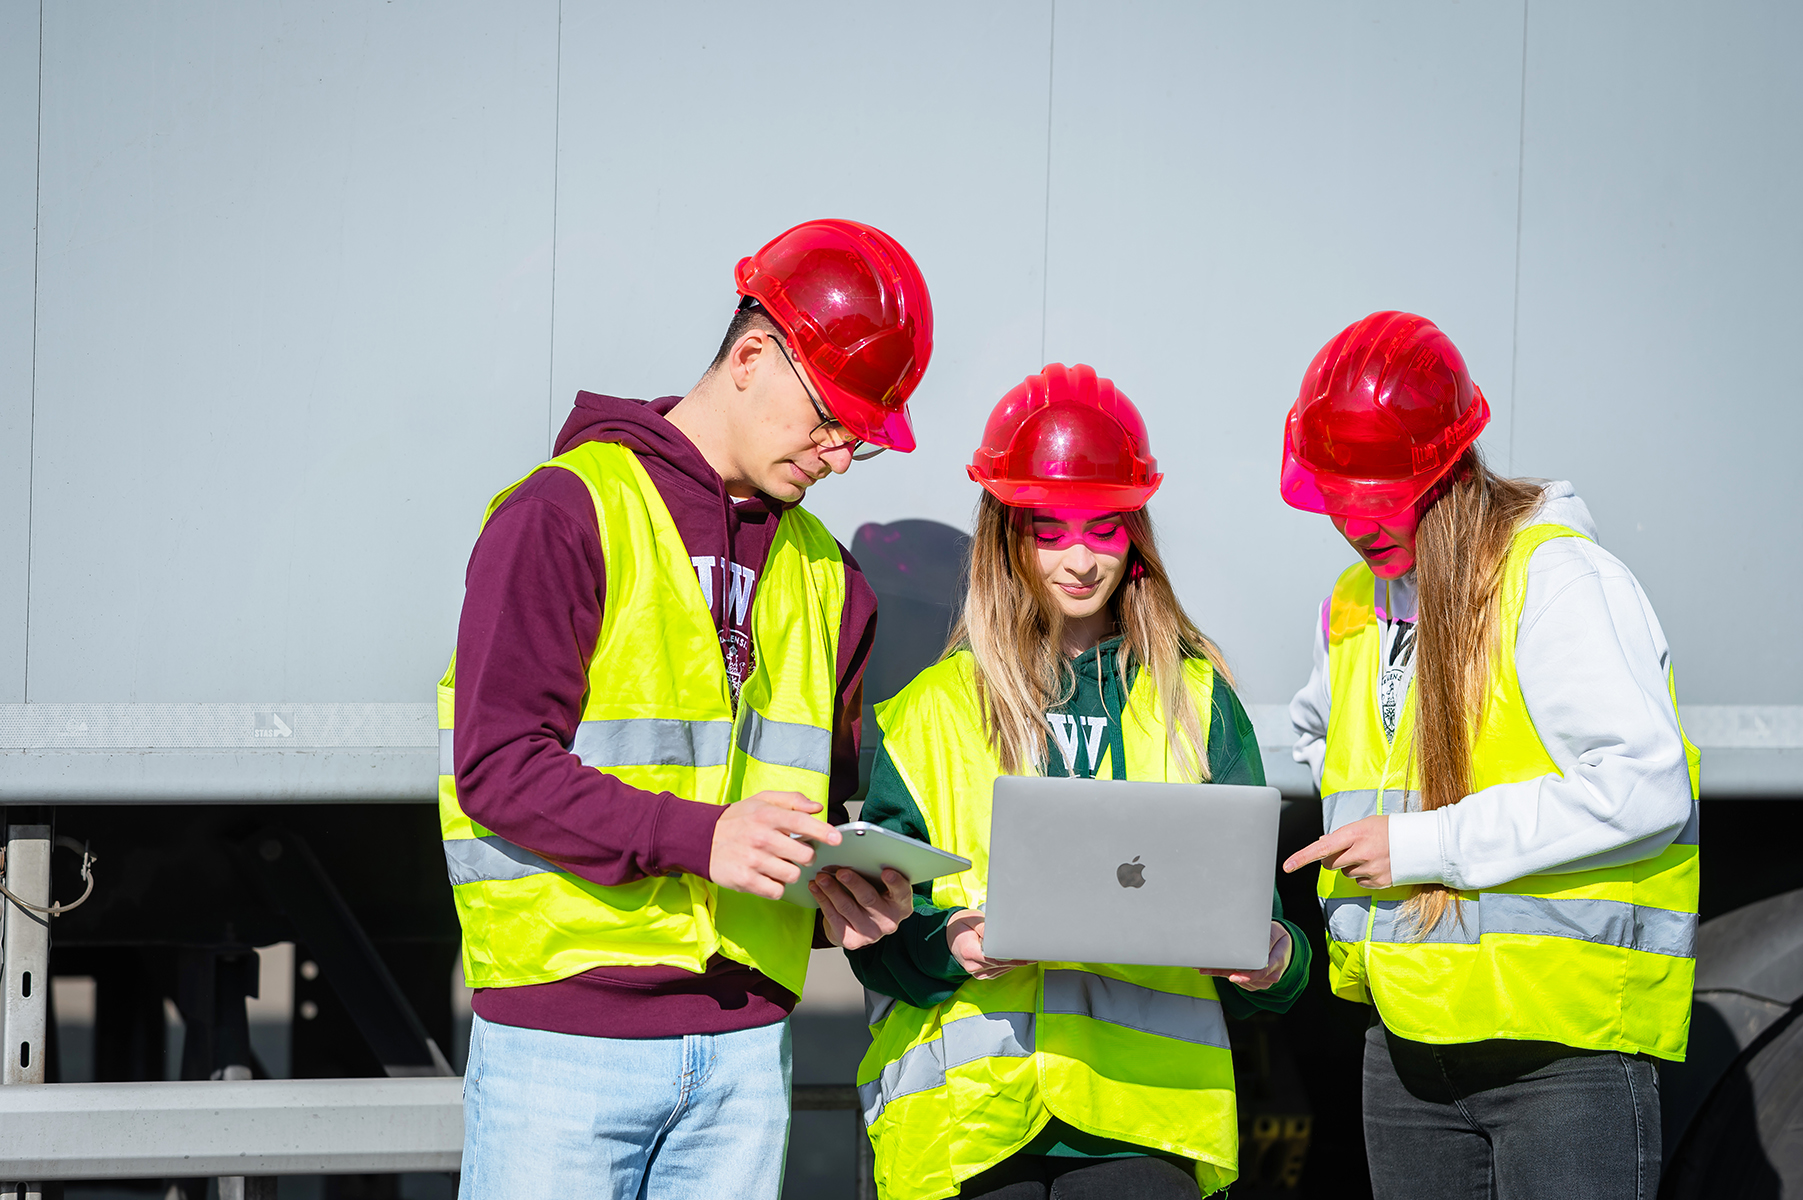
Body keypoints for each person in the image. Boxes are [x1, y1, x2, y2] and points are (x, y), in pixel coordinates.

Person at [437, 218, 934, 1199]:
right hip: (564, 1037)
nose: (837, 459)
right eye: (829, 421)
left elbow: (805, 812)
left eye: (859, 445)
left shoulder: (831, 577)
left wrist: (846, 898)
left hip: (746, 1047)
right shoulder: (565, 512)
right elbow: (496, 766)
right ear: (752, 356)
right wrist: (702, 838)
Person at [828, 364, 1310, 1200]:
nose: (1081, 560)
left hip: (1143, 1122)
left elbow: (1259, 931)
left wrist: (1279, 962)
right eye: (1048, 530)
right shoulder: (929, 710)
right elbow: (881, 941)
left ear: (1136, 536)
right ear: (1004, 538)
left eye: (1105, 530)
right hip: (969, 1126)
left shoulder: (1197, 702)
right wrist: (949, 947)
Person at [1279, 312, 1700, 1200]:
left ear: (1449, 469)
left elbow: (1641, 784)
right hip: (1405, 1045)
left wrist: (1424, 844)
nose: (1358, 527)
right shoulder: (1357, 599)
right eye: (1340, 505)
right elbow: (1324, 739)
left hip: (1559, 1054)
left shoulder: (1554, 580)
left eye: (1381, 500)